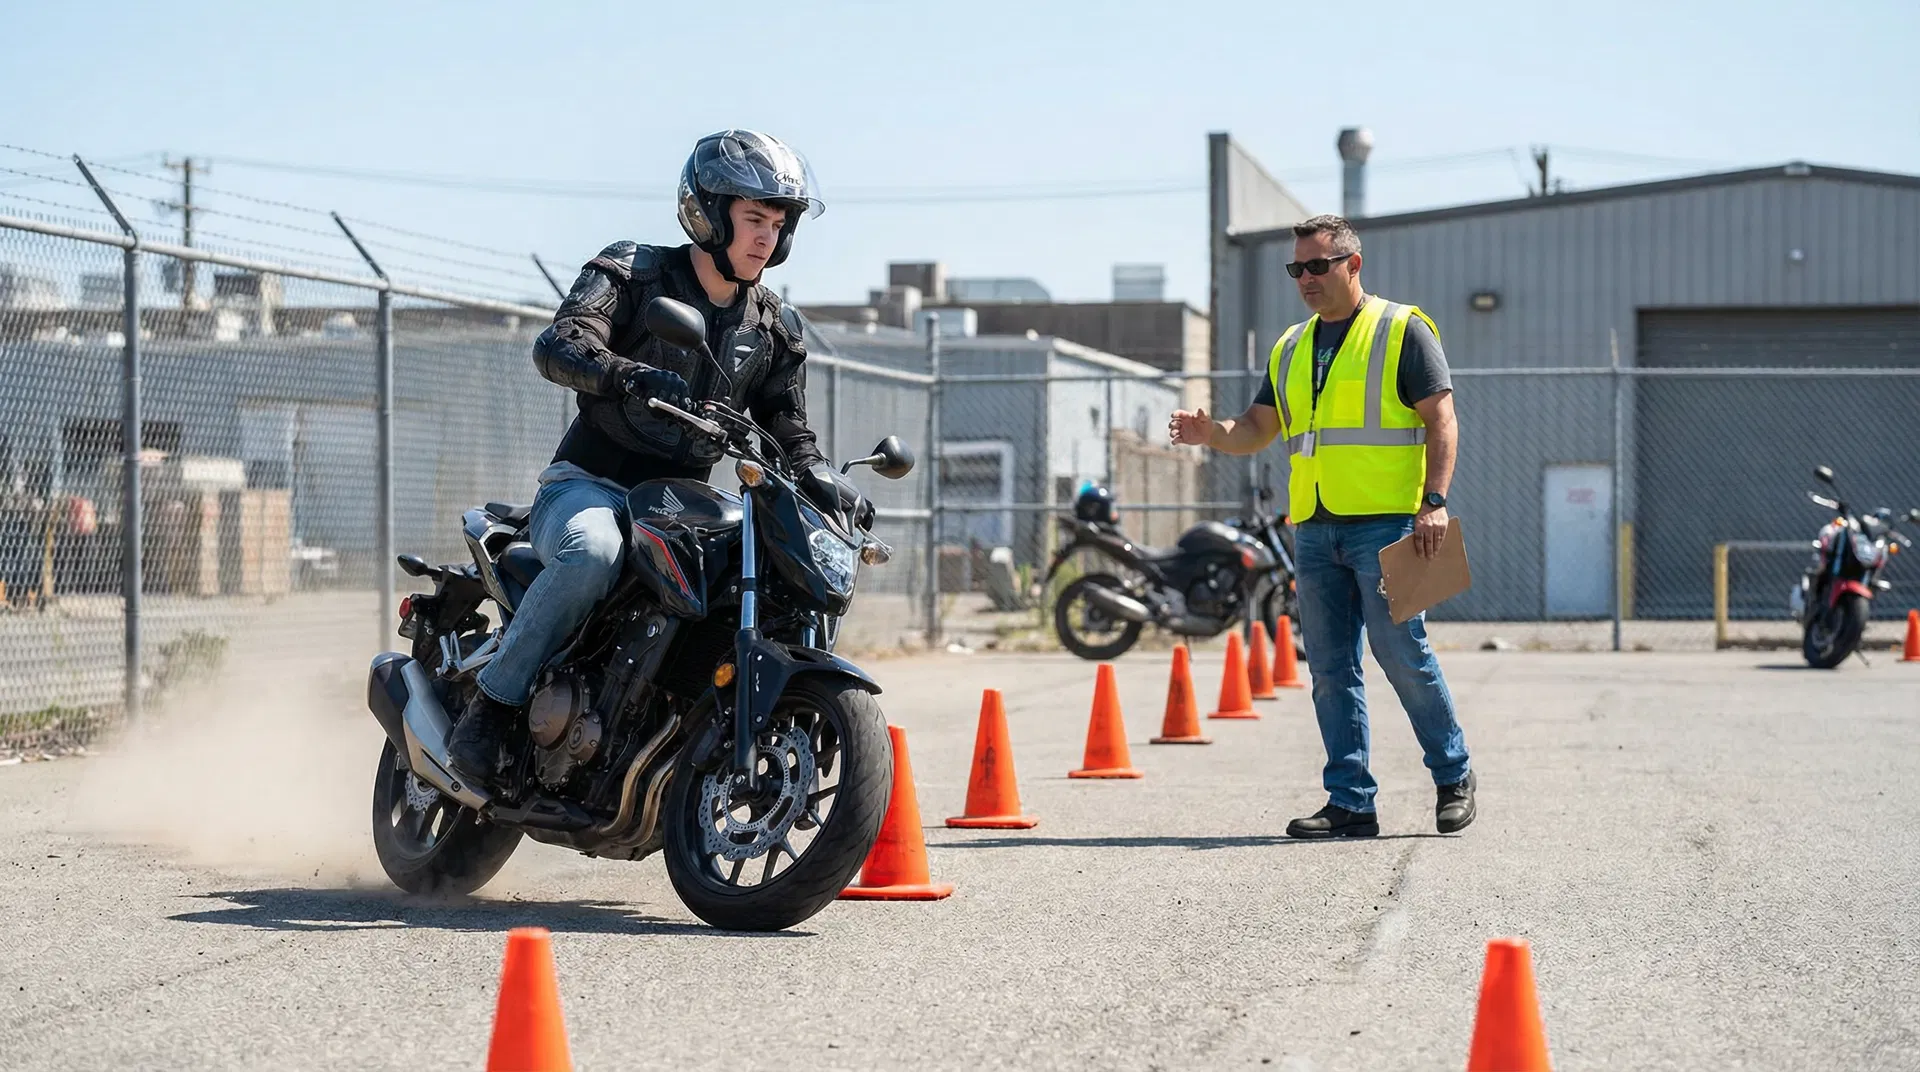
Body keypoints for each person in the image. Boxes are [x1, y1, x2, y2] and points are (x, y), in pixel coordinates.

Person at [445, 129, 835, 788]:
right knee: (594, 551)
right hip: (588, 486)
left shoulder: (774, 328)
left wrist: (823, 479)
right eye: (752, 219)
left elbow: (789, 428)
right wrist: (626, 374)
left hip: (683, 508)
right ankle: (493, 706)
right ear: (709, 215)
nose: (766, 237)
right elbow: (559, 343)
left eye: (776, 223)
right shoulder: (635, 272)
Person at [1169, 213, 1474, 838]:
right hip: (1314, 529)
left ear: (1352, 265)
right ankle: (1351, 802)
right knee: (1331, 670)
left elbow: (1442, 421)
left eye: (1318, 266)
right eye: (1296, 268)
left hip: (1389, 525)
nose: (1305, 278)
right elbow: (1258, 429)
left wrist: (1434, 502)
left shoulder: (1401, 330)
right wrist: (1211, 433)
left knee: (1403, 655)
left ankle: (1453, 775)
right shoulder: (1289, 347)